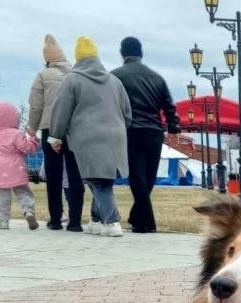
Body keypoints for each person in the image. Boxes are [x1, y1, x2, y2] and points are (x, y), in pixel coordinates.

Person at [49, 37, 132, 237]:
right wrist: (119, 128)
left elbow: (61, 110)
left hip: (87, 137)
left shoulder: (72, 79)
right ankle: (96, 220)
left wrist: (55, 136)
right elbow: (127, 113)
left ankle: (112, 222)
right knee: (102, 179)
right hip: (116, 136)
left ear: (78, 57)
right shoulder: (115, 81)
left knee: (98, 182)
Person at [111, 37, 181, 233]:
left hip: (129, 130)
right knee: (148, 177)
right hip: (154, 131)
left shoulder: (115, 77)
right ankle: (138, 218)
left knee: (138, 176)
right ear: (141, 53)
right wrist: (174, 128)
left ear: (122, 52)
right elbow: (169, 106)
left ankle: (145, 222)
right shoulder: (157, 78)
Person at [28, 35, 83, 231]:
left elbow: (36, 105)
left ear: (47, 59)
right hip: (74, 129)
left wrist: (32, 127)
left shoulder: (43, 76)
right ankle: (76, 221)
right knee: (75, 174)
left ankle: (56, 219)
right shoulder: (77, 74)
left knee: (54, 175)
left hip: (50, 129)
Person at [0, 102, 40, 230]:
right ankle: (28, 211)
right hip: (16, 167)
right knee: (23, 191)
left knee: (2, 195)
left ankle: (3, 221)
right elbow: (27, 148)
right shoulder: (16, 133)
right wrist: (33, 139)